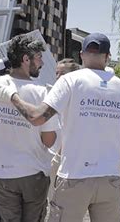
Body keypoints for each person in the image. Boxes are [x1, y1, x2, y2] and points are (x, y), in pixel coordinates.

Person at [0, 32, 120, 222]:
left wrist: (11, 96)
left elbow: (37, 117)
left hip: (75, 177)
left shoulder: (71, 80)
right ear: (108, 56)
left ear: (81, 54)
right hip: (110, 180)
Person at [0, 34, 59, 222]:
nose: (41, 63)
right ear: (25, 59)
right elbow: (49, 141)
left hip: (1, 173)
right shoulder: (42, 93)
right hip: (33, 174)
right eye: (39, 57)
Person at [48, 58, 81, 200]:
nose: (57, 78)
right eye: (56, 73)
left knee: (64, 197)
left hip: (67, 155)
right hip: (52, 153)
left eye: (61, 74)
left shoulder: (78, 97)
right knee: (51, 195)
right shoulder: (54, 93)